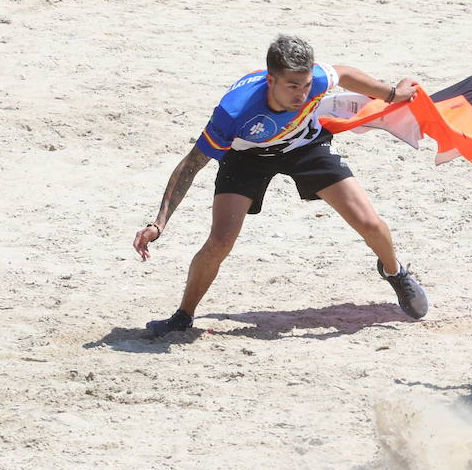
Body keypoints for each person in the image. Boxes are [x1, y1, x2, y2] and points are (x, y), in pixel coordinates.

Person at [134, 35, 430, 335]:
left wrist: (392, 94)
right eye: (292, 86)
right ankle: (183, 316)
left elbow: (346, 74)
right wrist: (159, 223)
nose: (302, 94)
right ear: (270, 80)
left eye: (305, 85)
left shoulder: (314, 78)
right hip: (247, 156)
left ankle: (394, 271)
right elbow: (191, 164)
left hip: (305, 145)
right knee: (220, 241)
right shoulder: (234, 112)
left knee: (371, 224)